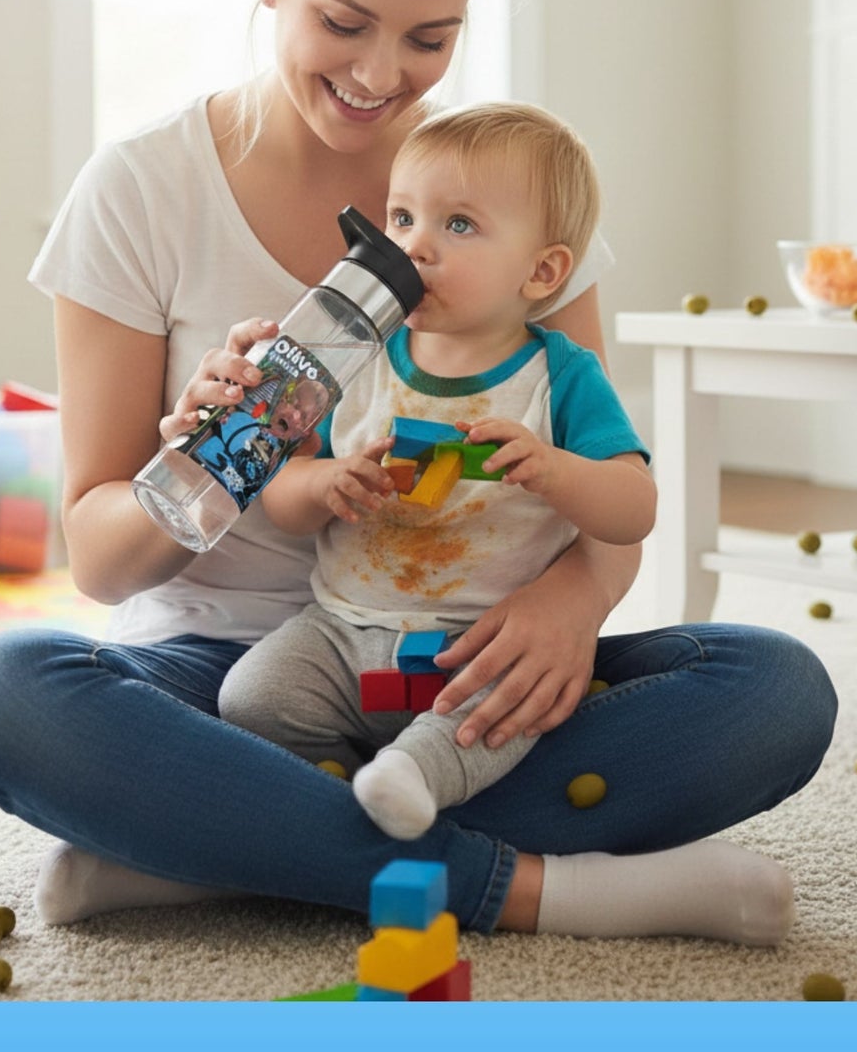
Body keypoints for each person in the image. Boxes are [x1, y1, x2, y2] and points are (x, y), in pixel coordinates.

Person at [0, 0, 836, 945]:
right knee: (0, 695)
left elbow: (602, 485)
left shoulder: (516, 201)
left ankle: (215, 846)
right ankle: (525, 889)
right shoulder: (139, 188)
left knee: (771, 689)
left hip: (460, 677)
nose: (379, 77)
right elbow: (99, 559)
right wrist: (194, 465)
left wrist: (574, 602)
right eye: (343, 23)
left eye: (431, 37)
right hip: (221, 679)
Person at [218, 103, 657, 844]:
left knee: (510, 711)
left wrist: (555, 471)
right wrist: (321, 485)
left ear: (542, 270)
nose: (414, 247)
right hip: (339, 630)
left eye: (457, 225)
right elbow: (281, 497)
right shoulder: (353, 356)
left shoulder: (560, 376)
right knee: (251, 699)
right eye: (400, 218)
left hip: (482, 646)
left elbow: (633, 508)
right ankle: (345, 799)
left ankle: (411, 778)